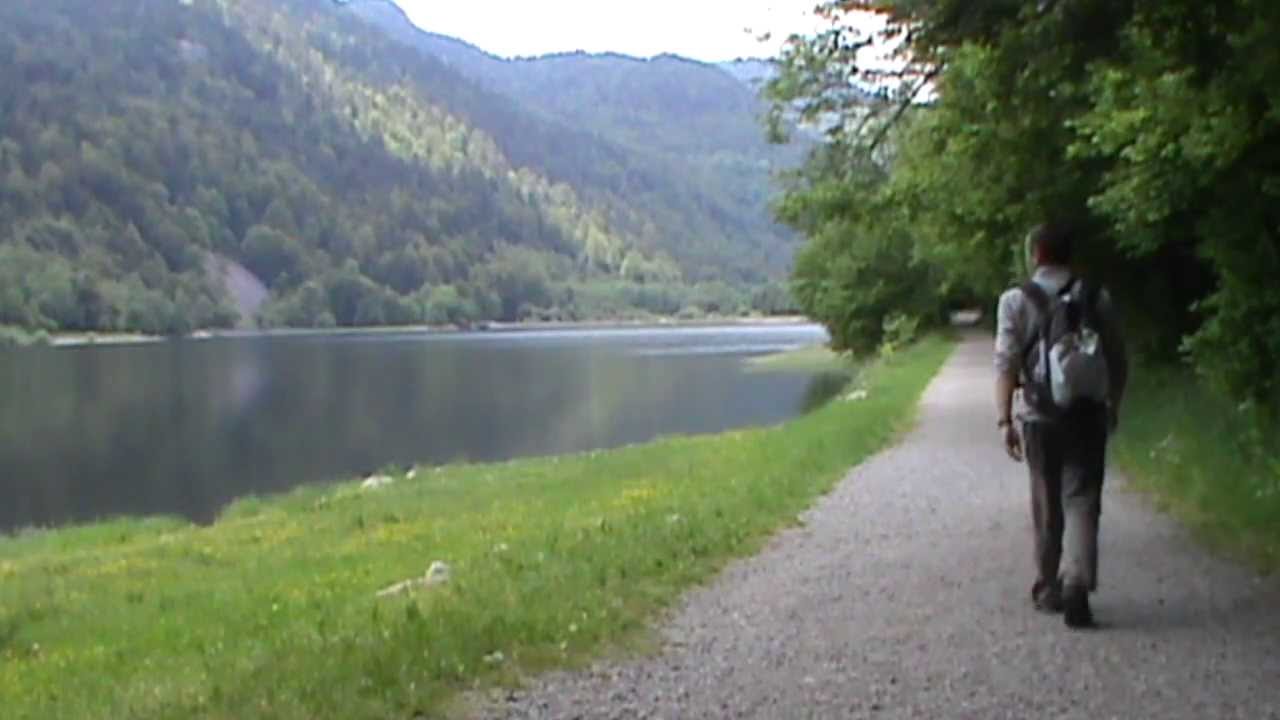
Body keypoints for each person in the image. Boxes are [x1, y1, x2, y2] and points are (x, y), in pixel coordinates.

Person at [993, 222, 1129, 629]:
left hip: (1039, 415)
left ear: (1035, 253)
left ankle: (1049, 586)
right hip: (1087, 413)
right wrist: (1113, 404)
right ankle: (1077, 582)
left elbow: (1005, 362)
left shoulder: (1015, 300)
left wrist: (1004, 419)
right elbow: (1118, 358)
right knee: (1083, 499)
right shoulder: (1096, 296)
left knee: (1046, 500)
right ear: (1072, 255)